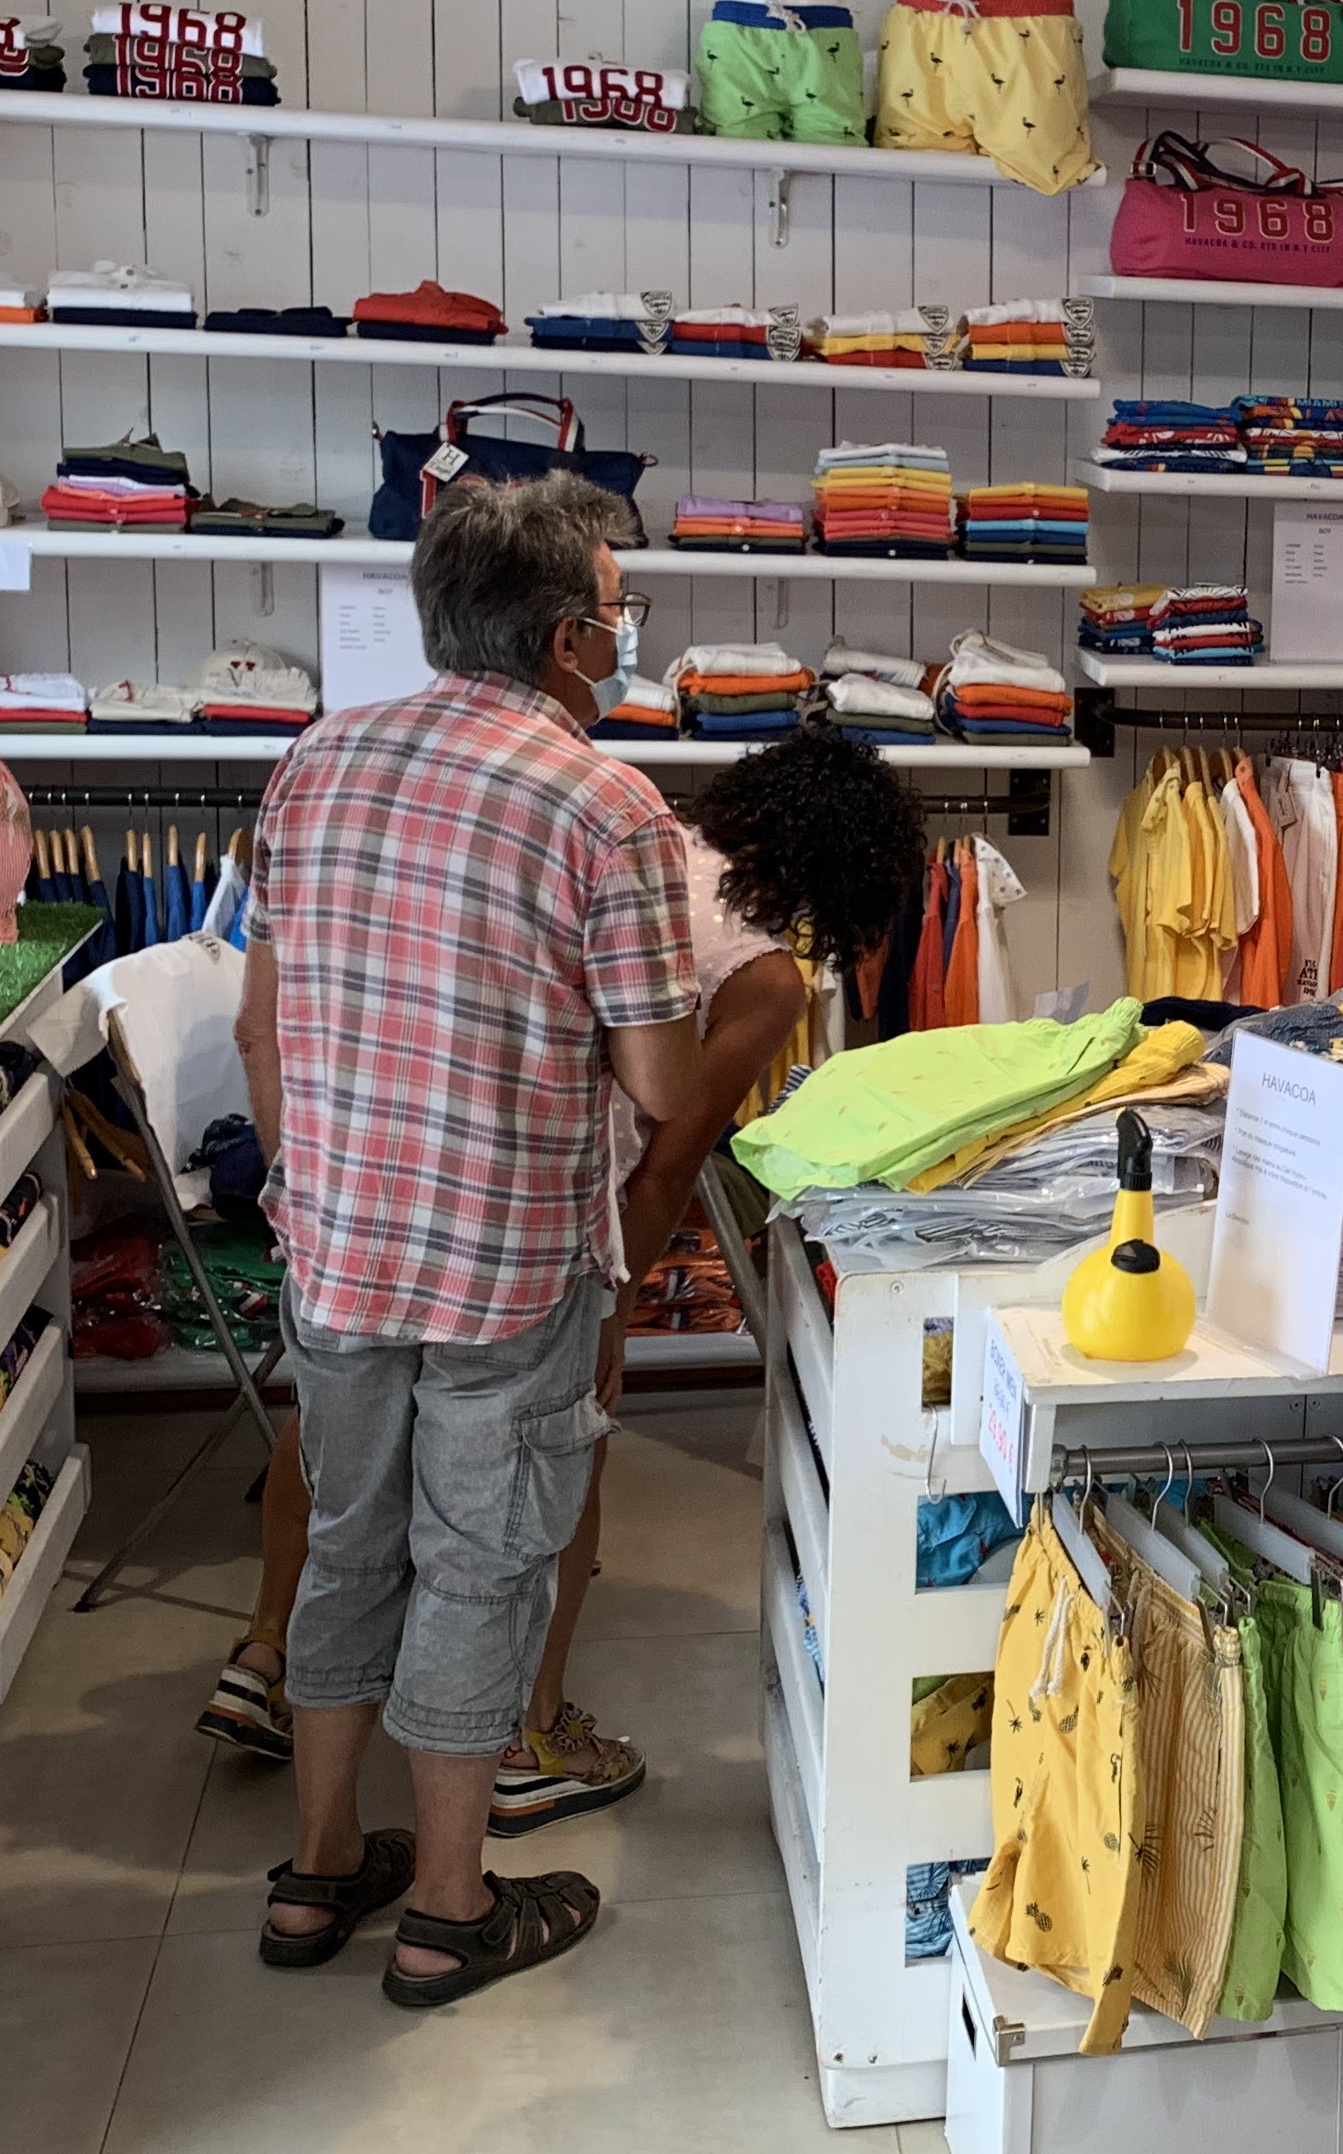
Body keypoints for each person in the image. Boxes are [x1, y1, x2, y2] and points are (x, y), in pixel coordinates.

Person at [197, 733, 929, 1841]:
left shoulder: (621, 846)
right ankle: (525, 1738)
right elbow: (664, 1163)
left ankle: (264, 1657)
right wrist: (613, 1314)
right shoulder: (765, 977)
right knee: (551, 1468)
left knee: (340, 1457)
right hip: (537, 1220)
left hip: (383, 1180)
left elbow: (277, 1024)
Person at [238, 472, 701, 2007]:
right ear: (569, 639)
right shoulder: (607, 806)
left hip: (340, 1244)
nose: (624, 637)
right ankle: (448, 1908)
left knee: (347, 1542)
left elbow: (262, 1025)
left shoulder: (316, 763)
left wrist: (310, 1182)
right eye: (619, 613)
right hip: (504, 1262)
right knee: (482, 1568)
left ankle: (318, 1869)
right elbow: (660, 1083)